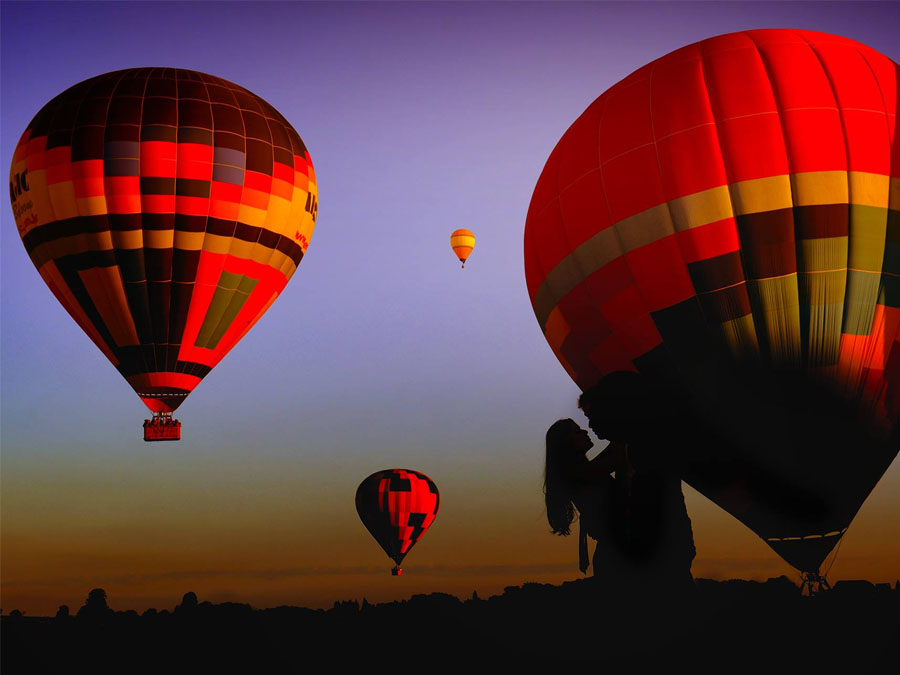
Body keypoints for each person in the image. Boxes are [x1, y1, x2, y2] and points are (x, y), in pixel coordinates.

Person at [578, 371, 696, 592]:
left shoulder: (645, 446)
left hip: (656, 556)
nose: (591, 425)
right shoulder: (631, 445)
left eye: (593, 416)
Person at [544, 418, 627, 578]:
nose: (585, 432)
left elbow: (611, 454)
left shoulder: (579, 472)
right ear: (566, 444)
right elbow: (617, 455)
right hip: (616, 557)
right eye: (577, 431)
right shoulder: (580, 474)